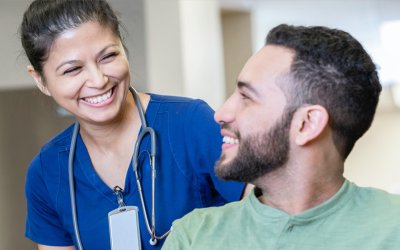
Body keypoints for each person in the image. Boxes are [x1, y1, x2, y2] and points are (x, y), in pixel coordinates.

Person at [20, 0, 247, 249]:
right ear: (40, 79)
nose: (98, 80)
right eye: (73, 69)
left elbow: (270, 218)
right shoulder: (47, 172)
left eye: (108, 56)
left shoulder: (191, 124)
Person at [163, 24, 400, 249]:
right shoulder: (193, 235)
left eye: (247, 97)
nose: (221, 114)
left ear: (307, 124)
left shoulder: (392, 229)